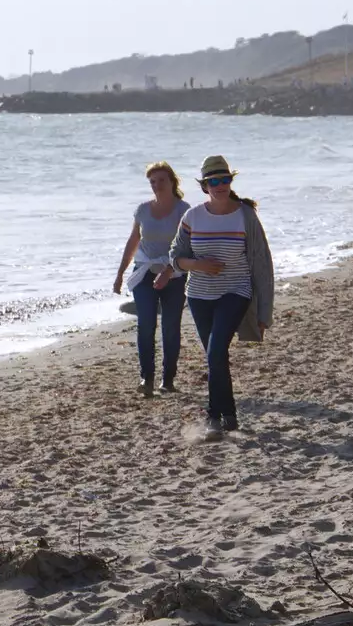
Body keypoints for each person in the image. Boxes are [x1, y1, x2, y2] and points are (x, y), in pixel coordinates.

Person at [158, 155, 274, 437]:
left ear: (231, 182)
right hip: (199, 295)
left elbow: (262, 264)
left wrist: (263, 314)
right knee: (216, 355)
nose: (221, 185)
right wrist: (197, 265)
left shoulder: (245, 215)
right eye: (214, 181)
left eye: (225, 180)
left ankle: (212, 416)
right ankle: (230, 414)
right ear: (205, 186)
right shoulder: (192, 216)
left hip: (236, 291)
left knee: (215, 351)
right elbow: (175, 257)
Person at [112, 161, 191, 398]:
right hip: (145, 272)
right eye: (152, 182)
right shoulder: (143, 210)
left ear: (172, 181)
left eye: (161, 180)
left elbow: (187, 246)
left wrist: (169, 270)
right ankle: (146, 377)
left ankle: (168, 380)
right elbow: (133, 241)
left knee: (170, 326)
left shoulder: (183, 210)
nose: (157, 185)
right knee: (145, 324)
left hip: (174, 274)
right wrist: (119, 274)